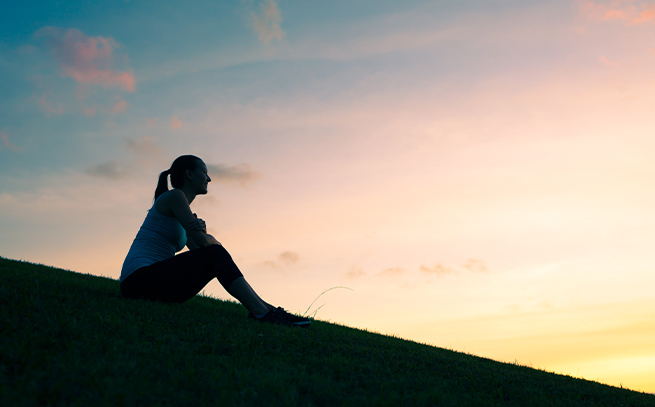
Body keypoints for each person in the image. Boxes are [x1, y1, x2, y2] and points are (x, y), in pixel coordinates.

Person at [120, 155, 310, 327]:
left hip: (153, 287)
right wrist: (209, 239)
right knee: (215, 253)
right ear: (189, 174)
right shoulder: (175, 196)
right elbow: (205, 246)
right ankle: (262, 312)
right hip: (138, 281)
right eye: (204, 172)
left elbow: (199, 251)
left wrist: (203, 234)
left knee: (214, 255)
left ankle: (267, 309)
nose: (209, 179)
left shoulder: (185, 213)